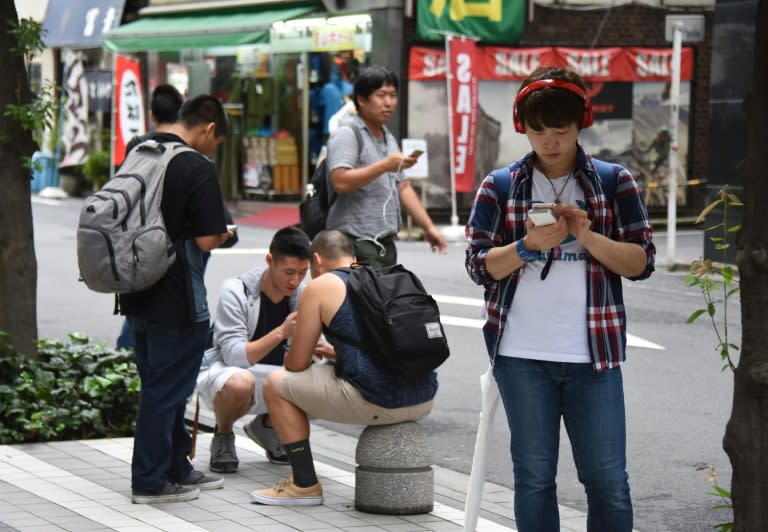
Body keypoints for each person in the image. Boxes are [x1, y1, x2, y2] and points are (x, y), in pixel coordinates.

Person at [464, 66, 656, 532]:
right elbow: (477, 266)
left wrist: (587, 235)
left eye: (561, 130)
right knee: (533, 479)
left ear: (580, 123)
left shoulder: (614, 183)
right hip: (520, 356)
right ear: (522, 127)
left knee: (608, 480)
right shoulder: (502, 185)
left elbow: (642, 262)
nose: (549, 141)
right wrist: (530, 246)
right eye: (537, 131)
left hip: (594, 356)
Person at [249, 229, 438, 506]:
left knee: (276, 385)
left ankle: (303, 484)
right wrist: (340, 354)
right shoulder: (386, 277)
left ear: (317, 259)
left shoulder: (322, 285)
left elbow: (297, 364)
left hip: (377, 401)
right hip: (424, 397)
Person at [120, 95, 234, 504]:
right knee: (164, 391)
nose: (214, 147)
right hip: (178, 297)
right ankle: (149, 482)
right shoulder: (196, 166)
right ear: (207, 129)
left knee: (159, 384)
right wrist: (224, 233)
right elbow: (206, 237)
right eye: (217, 140)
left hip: (134, 291)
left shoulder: (139, 153)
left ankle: (176, 468)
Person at [197, 226, 315, 472]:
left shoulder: (304, 296)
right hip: (225, 373)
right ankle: (224, 434)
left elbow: (299, 360)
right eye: (289, 272)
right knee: (241, 382)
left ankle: (268, 427)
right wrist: (281, 332)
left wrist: (314, 348)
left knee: (323, 384)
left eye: (303, 272)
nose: (295, 281)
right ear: (270, 260)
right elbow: (233, 356)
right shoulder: (236, 291)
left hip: (274, 376)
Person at [325, 64, 448, 267]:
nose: (389, 102)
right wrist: (384, 165)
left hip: (384, 243)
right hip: (355, 242)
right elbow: (340, 181)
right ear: (362, 100)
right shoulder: (347, 133)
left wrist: (428, 227)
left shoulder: (387, 137)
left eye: (393, 95)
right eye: (381, 95)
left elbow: (403, 186)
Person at [116, 84, 185, 352]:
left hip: (138, 241)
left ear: (152, 114)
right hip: (175, 245)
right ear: (180, 114)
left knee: (139, 305)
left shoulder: (137, 146)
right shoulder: (186, 150)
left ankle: (124, 356)